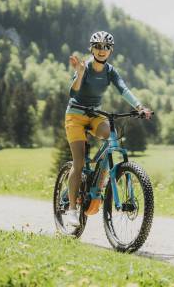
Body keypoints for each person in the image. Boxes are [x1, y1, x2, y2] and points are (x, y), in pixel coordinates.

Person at [63, 30, 152, 227]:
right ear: (91, 48)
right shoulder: (84, 67)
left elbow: (123, 89)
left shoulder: (110, 71)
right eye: (98, 46)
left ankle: (99, 181)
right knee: (78, 163)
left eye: (106, 47)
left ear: (110, 51)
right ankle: (71, 209)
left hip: (95, 115)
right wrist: (78, 75)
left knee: (112, 138)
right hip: (76, 115)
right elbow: (73, 91)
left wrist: (139, 107)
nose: (102, 50)